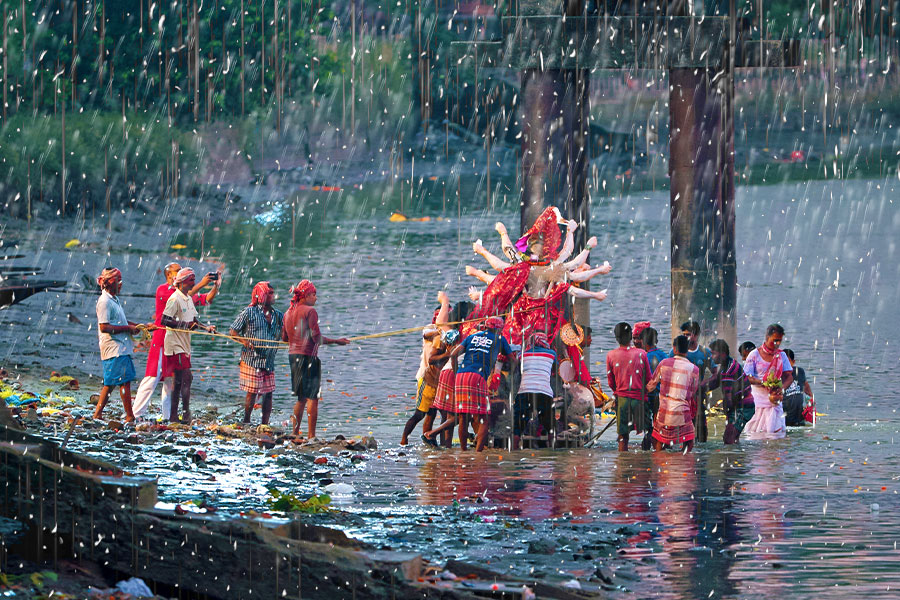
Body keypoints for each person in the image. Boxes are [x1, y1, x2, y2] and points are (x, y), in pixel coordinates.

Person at [133, 262, 220, 419]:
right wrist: (201, 283)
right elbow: (185, 294)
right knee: (151, 378)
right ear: (169, 275)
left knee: (170, 381)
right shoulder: (164, 291)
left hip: (179, 342)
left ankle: (167, 416)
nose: (180, 273)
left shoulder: (185, 295)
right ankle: (135, 414)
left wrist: (215, 286)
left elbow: (206, 299)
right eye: (177, 271)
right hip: (161, 339)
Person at [282, 280, 350, 440]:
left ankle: (295, 432)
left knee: (301, 397)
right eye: (314, 294)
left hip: (293, 357)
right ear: (305, 295)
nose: (316, 298)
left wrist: (297, 337)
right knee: (313, 397)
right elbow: (316, 337)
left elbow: (284, 338)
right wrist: (336, 341)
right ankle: (311, 436)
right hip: (309, 357)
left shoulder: (288, 312)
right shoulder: (310, 311)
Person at [160, 268, 217, 422]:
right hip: (174, 345)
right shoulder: (174, 298)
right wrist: (184, 325)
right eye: (191, 280)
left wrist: (206, 328)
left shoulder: (188, 298)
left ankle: (174, 415)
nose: (194, 283)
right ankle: (185, 414)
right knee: (186, 378)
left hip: (184, 345)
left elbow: (194, 321)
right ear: (183, 282)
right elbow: (164, 320)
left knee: (180, 381)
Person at [449, 316, 513, 452]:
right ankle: (478, 453)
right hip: (478, 376)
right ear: (499, 328)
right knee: (483, 417)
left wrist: (456, 373)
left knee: (463, 416)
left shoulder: (472, 337)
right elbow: (513, 360)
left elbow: (453, 354)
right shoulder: (500, 339)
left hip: (461, 375)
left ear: (486, 326)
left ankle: (463, 451)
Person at [229, 281, 284, 425]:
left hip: (269, 360)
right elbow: (233, 332)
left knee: (268, 393)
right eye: (269, 293)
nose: (273, 296)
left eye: (273, 293)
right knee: (252, 392)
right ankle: (246, 420)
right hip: (252, 360)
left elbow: (285, 334)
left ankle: (264, 423)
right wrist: (245, 342)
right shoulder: (249, 312)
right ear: (261, 295)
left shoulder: (278, 315)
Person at [401, 291, 450, 445]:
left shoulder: (448, 332)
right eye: (436, 315)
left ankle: (429, 439)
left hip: (440, 380)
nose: (438, 318)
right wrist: (442, 327)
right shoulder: (430, 329)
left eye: (441, 315)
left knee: (434, 413)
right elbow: (427, 334)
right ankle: (404, 440)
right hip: (426, 377)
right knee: (420, 413)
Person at [94, 268, 142, 421]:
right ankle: (129, 415)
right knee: (122, 382)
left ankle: (98, 414)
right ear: (111, 283)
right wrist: (128, 328)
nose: (121, 285)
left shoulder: (113, 299)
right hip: (114, 348)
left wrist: (141, 326)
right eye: (119, 282)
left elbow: (121, 323)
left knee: (112, 383)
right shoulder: (104, 302)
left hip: (120, 348)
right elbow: (104, 327)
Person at [647, 335, 700, 452]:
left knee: (658, 441)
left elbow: (651, 386)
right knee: (689, 442)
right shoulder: (694, 369)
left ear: (674, 348)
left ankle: (660, 459)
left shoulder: (664, 363)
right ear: (687, 350)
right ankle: (682, 460)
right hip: (683, 413)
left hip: (665, 413)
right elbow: (692, 394)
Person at [742, 324, 793, 440]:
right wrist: (763, 383)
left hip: (774, 401)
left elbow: (789, 377)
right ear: (767, 337)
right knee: (754, 437)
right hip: (757, 402)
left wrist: (781, 389)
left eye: (779, 341)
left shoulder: (782, 355)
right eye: (775, 340)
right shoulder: (754, 355)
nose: (777, 344)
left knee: (776, 437)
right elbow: (747, 377)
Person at [606, 322, 651, 452]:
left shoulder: (611, 355)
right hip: (639, 399)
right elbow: (648, 378)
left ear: (616, 338)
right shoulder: (642, 354)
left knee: (623, 435)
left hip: (622, 400)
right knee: (648, 431)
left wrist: (618, 392)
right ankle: (646, 460)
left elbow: (610, 381)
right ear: (631, 336)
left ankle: (622, 464)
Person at [669, 320, 712, 442]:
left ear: (696, 335)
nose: (685, 337)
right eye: (683, 334)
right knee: (679, 425)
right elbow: (667, 370)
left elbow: (716, 373)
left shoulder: (704, 353)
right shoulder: (675, 352)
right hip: (680, 396)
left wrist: (704, 385)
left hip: (697, 396)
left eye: (688, 334)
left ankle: (701, 451)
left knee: (700, 424)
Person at [703, 339, 753, 444]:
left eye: (713, 354)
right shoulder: (727, 365)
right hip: (740, 405)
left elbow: (729, 399)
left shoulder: (729, 370)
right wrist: (699, 387)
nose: (711, 357)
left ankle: (736, 458)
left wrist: (723, 411)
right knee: (730, 438)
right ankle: (736, 458)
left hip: (743, 407)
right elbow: (716, 381)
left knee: (729, 439)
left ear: (722, 354)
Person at [513, 331, 556, 449]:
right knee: (550, 427)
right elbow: (555, 372)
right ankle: (553, 453)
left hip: (524, 392)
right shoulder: (552, 354)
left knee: (517, 429)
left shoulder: (522, 355)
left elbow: (517, 373)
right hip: (544, 392)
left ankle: (514, 452)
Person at [424, 328, 462, 447]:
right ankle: (434, 437)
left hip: (444, 376)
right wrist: (447, 354)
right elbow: (431, 359)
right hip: (449, 376)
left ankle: (445, 445)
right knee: (455, 416)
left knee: (447, 416)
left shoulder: (450, 345)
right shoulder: (445, 346)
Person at [641, 327, 668, 418]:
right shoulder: (664, 355)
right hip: (664, 395)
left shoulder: (645, 357)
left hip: (651, 395)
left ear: (643, 342)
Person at [782, 349, 813, 426]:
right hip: (784, 418)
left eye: (787, 361)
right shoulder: (778, 375)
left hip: (799, 417)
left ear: (793, 362)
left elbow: (806, 387)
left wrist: (811, 400)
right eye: (782, 362)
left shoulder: (800, 372)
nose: (785, 365)